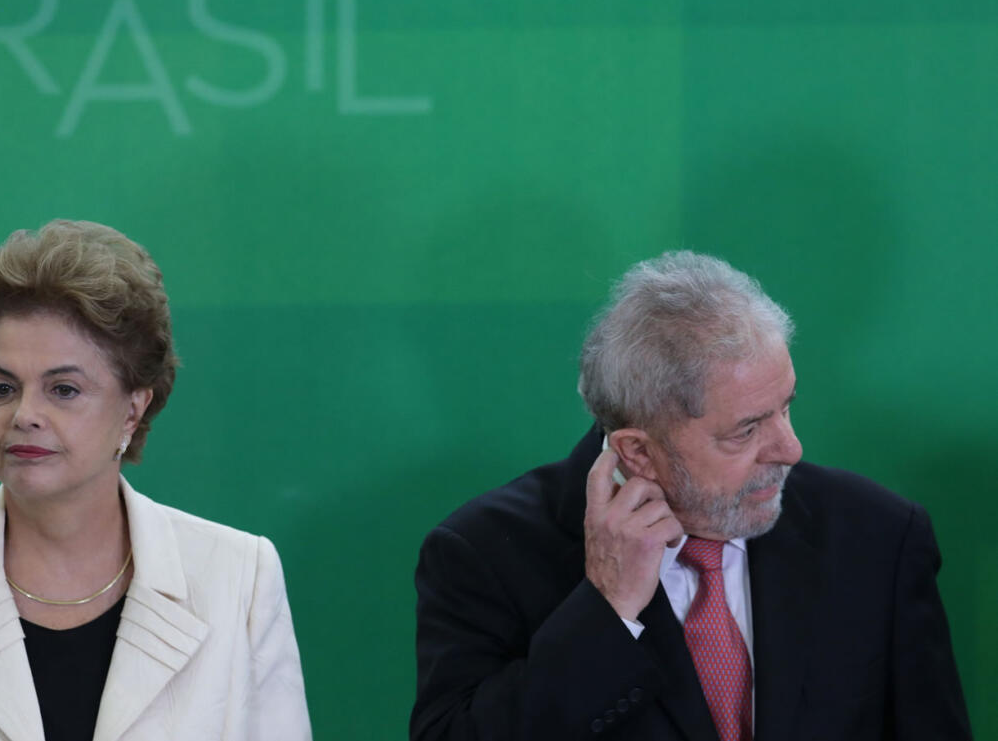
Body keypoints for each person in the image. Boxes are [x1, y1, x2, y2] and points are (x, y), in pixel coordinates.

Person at [410, 251, 971, 741]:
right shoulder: (483, 554)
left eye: (786, 406)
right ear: (638, 452)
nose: (790, 449)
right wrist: (606, 611)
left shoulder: (877, 538)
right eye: (747, 430)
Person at [0, 220, 311, 741]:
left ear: (132, 411)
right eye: (2, 387)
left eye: (64, 390)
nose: (25, 414)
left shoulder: (239, 580)